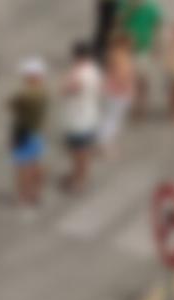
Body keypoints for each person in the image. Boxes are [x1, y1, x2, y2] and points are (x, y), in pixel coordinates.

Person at [62, 41, 102, 192]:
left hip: (78, 119)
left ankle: (79, 180)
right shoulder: (94, 70)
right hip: (89, 115)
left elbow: (68, 89)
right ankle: (80, 176)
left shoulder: (80, 73)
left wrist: (67, 82)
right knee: (83, 151)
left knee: (79, 152)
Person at [9, 57, 49, 209]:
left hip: (24, 133)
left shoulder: (26, 95)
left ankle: (23, 196)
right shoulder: (42, 91)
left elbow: (14, 107)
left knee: (22, 167)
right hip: (37, 132)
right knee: (36, 163)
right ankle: (36, 193)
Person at [120, 0, 163, 119]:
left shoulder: (151, 7)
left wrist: (157, 46)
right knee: (129, 79)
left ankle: (141, 106)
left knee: (142, 79)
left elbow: (157, 26)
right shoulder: (124, 5)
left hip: (144, 49)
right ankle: (131, 105)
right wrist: (130, 10)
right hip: (127, 49)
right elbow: (119, 22)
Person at [98, 35, 136, 154]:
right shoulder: (120, 56)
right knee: (112, 119)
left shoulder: (115, 54)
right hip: (117, 91)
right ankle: (104, 144)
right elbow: (121, 75)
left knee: (112, 118)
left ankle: (105, 142)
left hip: (115, 90)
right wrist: (126, 87)